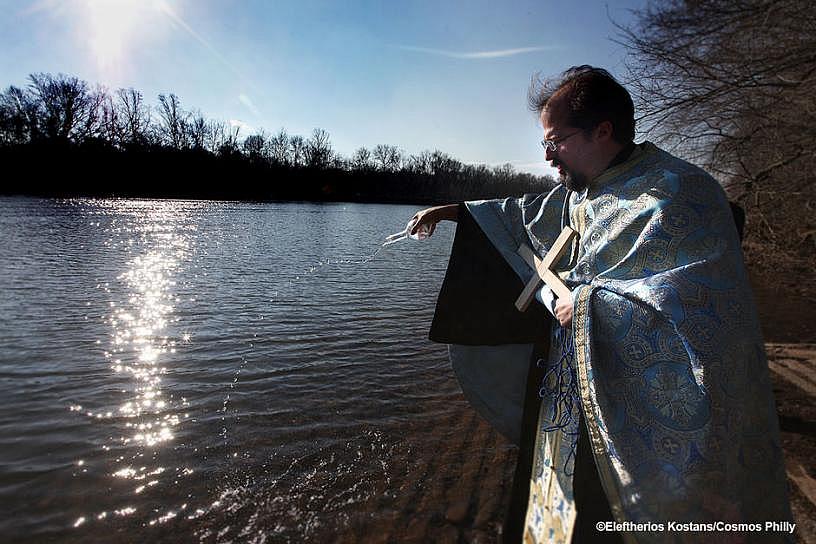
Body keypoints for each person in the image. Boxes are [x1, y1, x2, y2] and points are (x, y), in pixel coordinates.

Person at [411, 66, 793, 543]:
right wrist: (454, 212)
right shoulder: (584, 189)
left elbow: (704, 315)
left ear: (603, 131)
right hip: (568, 396)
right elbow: (525, 211)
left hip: (647, 416)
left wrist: (589, 305)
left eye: (555, 140)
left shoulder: (681, 193)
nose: (547, 155)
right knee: (555, 518)